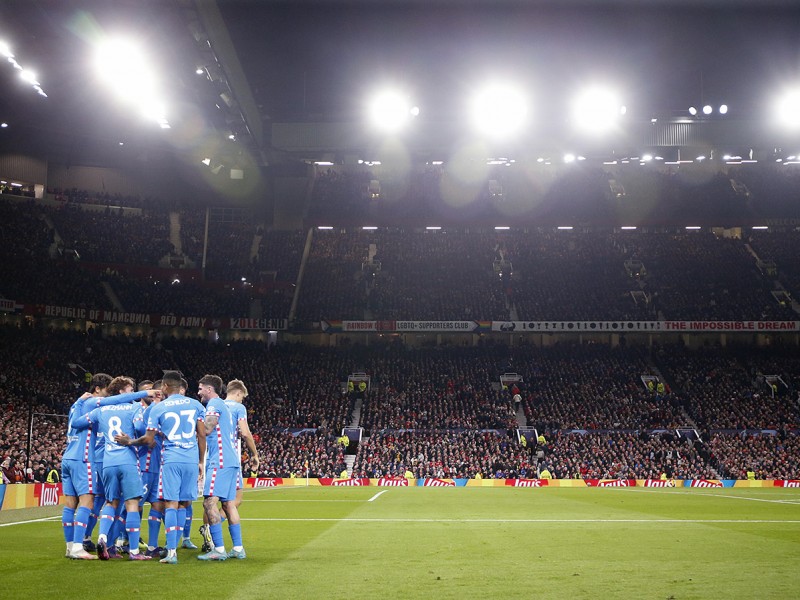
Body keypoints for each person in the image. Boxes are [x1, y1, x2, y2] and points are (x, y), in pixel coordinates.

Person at [116, 370, 206, 565]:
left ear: (164, 386)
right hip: (190, 460)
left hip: (171, 460)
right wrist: (200, 461)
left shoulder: (159, 408)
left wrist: (129, 441)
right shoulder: (196, 405)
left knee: (170, 504)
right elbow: (202, 435)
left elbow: (148, 440)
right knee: (184, 504)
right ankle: (175, 544)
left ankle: (171, 552)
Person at [72, 376, 161, 561]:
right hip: (128, 460)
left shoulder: (101, 410)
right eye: (130, 390)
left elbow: (77, 423)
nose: (132, 393)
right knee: (132, 504)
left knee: (110, 502)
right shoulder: (133, 407)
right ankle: (134, 552)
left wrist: (79, 404)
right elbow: (139, 426)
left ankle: (103, 538)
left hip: (108, 462)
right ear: (121, 392)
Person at [61, 373, 139, 560]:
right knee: (87, 502)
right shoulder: (92, 402)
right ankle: (79, 547)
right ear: (97, 390)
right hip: (83, 458)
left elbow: (76, 423)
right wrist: (142, 395)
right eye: (105, 394)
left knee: (70, 505)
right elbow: (119, 399)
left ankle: (70, 546)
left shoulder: (77, 404)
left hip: (68, 457)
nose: (107, 399)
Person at [196, 374, 242, 561]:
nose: (198, 392)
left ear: (209, 389)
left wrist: (188, 424)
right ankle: (238, 549)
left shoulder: (214, 404)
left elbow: (207, 428)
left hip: (220, 460)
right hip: (231, 461)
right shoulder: (224, 406)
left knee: (209, 503)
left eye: (200, 388)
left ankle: (219, 549)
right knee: (229, 504)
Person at [220, 379, 259, 552]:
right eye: (242, 397)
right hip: (230, 458)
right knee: (234, 500)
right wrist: (254, 454)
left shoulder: (215, 406)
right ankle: (231, 544)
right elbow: (245, 432)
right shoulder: (237, 408)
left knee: (212, 501)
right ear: (237, 392)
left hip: (213, 457)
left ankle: (208, 533)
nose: (242, 400)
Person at [133, 379, 167, 558]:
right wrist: (151, 433)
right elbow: (139, 428)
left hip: (157, 465)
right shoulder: (139, 410)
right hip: (143, 465)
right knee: (135, 504)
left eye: (154, 391)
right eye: (148, 391)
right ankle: (126, 541)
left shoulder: (159, 411)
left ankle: (152, 546)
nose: (152, 394)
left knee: (157, 504)